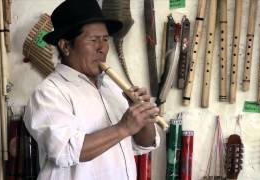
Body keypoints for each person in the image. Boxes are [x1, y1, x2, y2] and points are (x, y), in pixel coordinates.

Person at [23, 0, 160, 179]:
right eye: (93, 40)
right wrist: (123, 127)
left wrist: (144, 116)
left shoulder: (111, 87)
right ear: (65, 46)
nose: (102, 48)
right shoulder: (48, 93)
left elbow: (144, 144)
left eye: (105, 39)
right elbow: (65, 150)